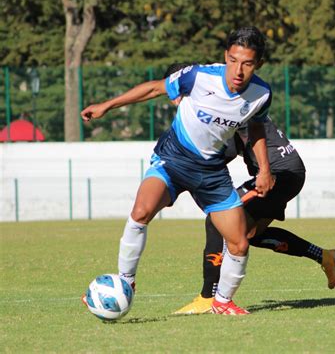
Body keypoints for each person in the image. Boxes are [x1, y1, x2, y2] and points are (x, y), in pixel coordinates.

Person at [80, 26, 275, 315]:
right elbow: (153, 88)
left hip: (211, 173)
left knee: (238, 242)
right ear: (225, 56)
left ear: (257, 64)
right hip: (173, 160)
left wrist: (264, 169)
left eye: (247, 63)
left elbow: (256, 128)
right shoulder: (198, 75)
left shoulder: (261, 94)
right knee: (141, 212)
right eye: (233, 60)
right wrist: (108, 105)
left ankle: (222, 303)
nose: (238, 70)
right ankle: (126, 280)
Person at [164, 64, 335, 314]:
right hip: (287, 172)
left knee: (218, 220)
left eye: (175, 91)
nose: (174, 99)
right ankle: (327, 257)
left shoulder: (217, 104)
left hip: (279, 173)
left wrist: (177, 181)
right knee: (245, 234)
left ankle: (209, 297)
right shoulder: (218, 100)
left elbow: (214, 156)